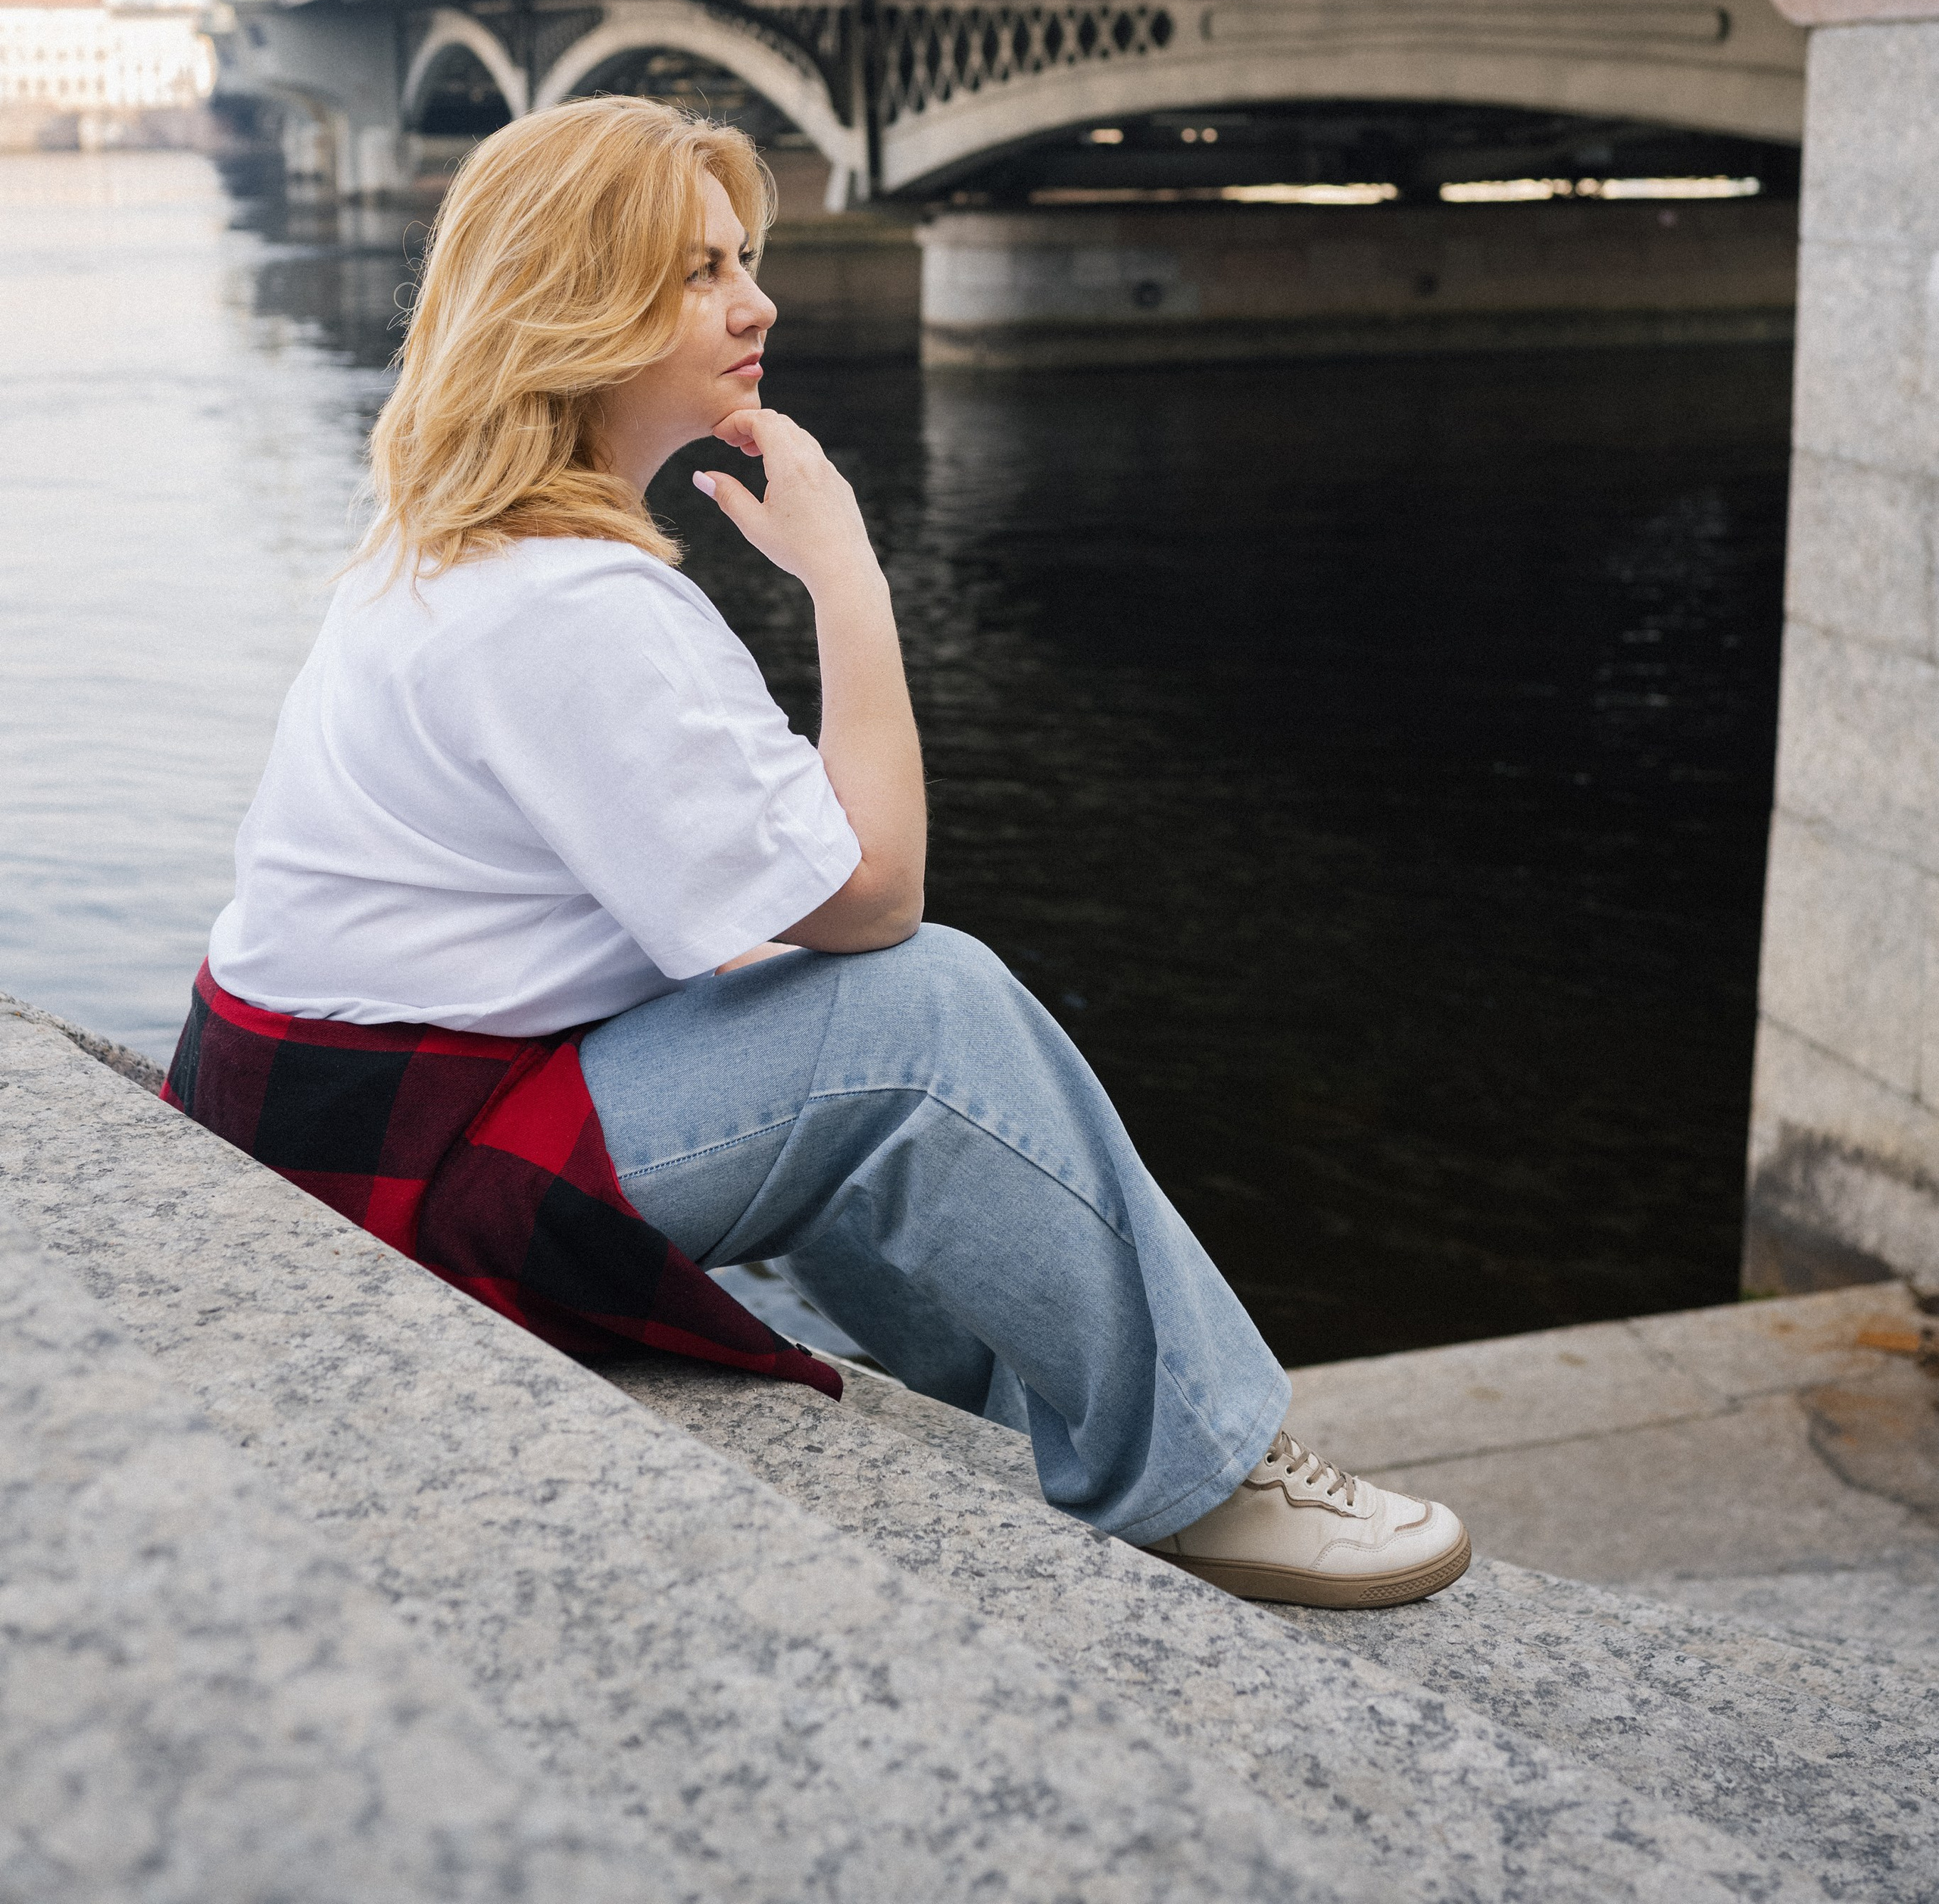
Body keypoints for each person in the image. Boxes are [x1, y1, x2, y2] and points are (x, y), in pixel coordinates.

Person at [179, 96, 1469, 1611]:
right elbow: (874, 901)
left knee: (825, 1022)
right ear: (574, 309)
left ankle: (1016, 1417)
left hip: (331, 1127)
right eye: (695, 272)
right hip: (407, 1186)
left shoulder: (454, 542)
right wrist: (843, 573)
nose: (756, 300)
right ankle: (1199, 1473)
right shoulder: (574, 604)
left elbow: (755, 923)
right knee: (929, 1010)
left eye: (741, 259)